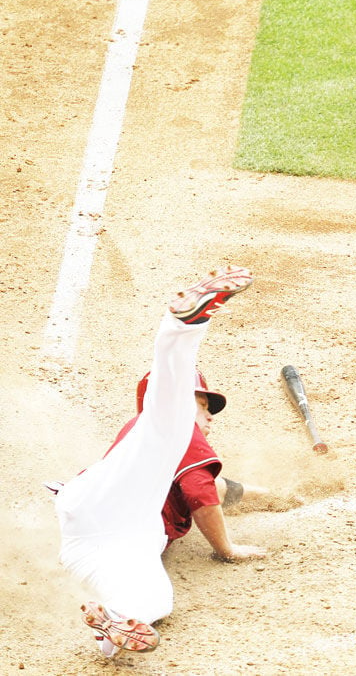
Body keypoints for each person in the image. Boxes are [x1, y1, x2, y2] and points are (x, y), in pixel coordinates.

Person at [52, 266, 268, 658]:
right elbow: (200, 490)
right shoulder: (173, 432)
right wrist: (227, 549)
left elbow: (215, 486)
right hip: (119, 514)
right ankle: (182, 326)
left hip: (97, 542)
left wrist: (283, 494)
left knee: (155, 599)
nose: (209, 416)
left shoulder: (158, 449)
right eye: (203, 404)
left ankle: (114, 626)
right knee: (170, 424)